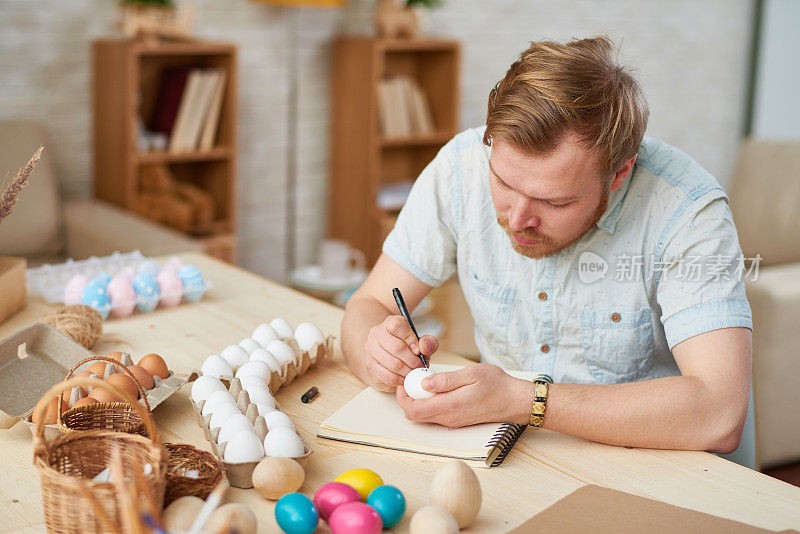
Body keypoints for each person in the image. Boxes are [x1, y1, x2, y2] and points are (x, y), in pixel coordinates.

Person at [341, 36, 753, 453]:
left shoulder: (688, 210)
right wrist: (375, 354)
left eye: (555, 201)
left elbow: (719, 413)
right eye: (502, 182)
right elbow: (369, 303)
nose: (517, 220)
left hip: (655, 467)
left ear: (619, 174)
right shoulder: (458, 169)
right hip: (509, 454)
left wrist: (524, 401)